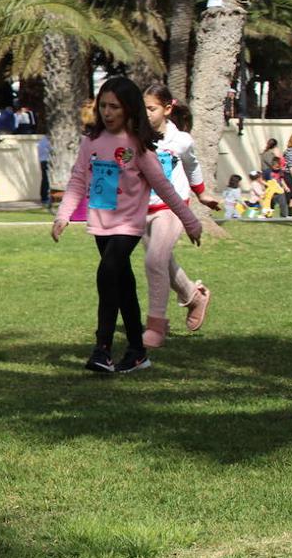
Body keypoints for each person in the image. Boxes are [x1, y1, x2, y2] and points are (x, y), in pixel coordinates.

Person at [52, 77, 202, 374]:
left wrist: (190, 221)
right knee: (122, 284)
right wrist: (63, 215)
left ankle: (102, 349)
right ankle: (137, 352)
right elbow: (78, 180)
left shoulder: (139, 146)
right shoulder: (91, 142)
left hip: (129, 223)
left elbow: (164, 184)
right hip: (100, 221)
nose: (107, 113)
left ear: (128, 109)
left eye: (114, 107)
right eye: (103, 106)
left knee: (107, 273)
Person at [139, 85, 216, 348]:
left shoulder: (181, 140)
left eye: (152, 109)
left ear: (167, 109)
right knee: (162, 262)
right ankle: (194, 296)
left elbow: (193, 167)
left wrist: (203, 195)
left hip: (172, 206)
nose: (146, 113)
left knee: (155, 261)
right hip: (143, 208)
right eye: (143, 108)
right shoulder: (136, 137)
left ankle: (155, 326)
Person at [37, 134, 52, 210]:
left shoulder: (42, 140)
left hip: (42, 161)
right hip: (47, 161)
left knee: (45, 179)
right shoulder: (47, 141)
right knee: (46, 179)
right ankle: (45, 197)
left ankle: (44, 197)